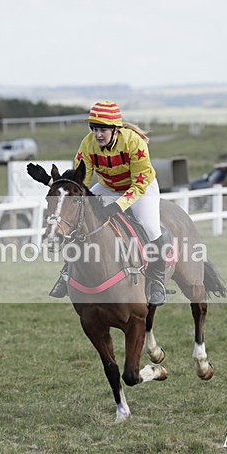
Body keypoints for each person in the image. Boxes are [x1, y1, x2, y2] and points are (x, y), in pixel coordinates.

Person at [35, 100, 167, 306]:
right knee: (79, 218)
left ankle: (157, 281)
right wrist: (52, 182)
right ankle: (67, 271)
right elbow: (80, 182)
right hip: (107, 187)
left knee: (150, 228)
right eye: (95, 129)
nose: (98, 134)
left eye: (103, 129)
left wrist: (117, 206)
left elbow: (139, 184)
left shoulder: (134, 142)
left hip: (141, 187)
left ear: (115, 129)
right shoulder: (87, 144)